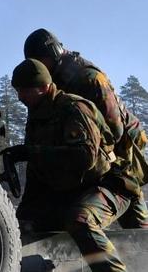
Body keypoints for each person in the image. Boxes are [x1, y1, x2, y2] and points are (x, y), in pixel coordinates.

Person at [2, 59, 128, 272]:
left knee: (80, 219)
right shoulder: (37, 116)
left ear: (43, 88)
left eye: (25, 90)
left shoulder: (73, 109)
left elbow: (85, 157)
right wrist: (23, 216)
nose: (20, 97)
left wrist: (33, 152)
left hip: (109, 187)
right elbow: (37, 172)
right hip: (70, 191)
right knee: (16, 227)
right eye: (18, 91)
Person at [24, 28, 148, 229]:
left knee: (126, 192)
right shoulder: (50, 83)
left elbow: (115, 131)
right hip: (91, 150)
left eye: (40, 61)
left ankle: (141, 248)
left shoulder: (89, 79)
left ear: (53, 54)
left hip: (122, 149)